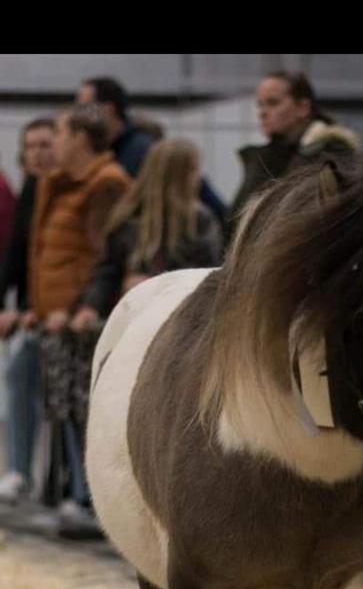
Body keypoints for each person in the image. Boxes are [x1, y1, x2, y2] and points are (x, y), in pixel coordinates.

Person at [28, 104, 129, 527]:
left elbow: (100, 256)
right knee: (64, 405)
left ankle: (90, 499)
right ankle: (73, 493)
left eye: (63, 134)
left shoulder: (107, 184)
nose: (56, 144)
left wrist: (79, 308)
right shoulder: (59, 182)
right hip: (57, 318)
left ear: (83, 139)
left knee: (84, 408)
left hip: (81, 321)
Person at [71, 138, 222, 330]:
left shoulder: (199, 221)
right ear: (176, 175)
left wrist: (152, 286)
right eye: (193, 170)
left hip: (177, 325)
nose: (198, 178)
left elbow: (204, 276)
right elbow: (108, 271)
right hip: (130, 324)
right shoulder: (128, 219)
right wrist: (90, 306)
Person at [227, 70, 363, 237]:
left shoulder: (332, 154)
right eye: (260, 105)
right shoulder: (268, 156)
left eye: (272, 103)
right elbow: (236, 222)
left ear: (302, 108)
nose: (262, 113)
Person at [76, 76, 227, 226]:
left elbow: (204, 196)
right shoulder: (112, 151)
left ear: (108, 109)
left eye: (84, 108)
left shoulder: (142, 150)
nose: (77, 116)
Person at [0, 118, 57, 502]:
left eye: (44, 145)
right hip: (34, 312)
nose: (37, 154)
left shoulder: (65, 193)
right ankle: (21, 471)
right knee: (23, 377)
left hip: (61, 312)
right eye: (30, 147)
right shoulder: (30, 195)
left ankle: (35, 476)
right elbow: (16, 258)